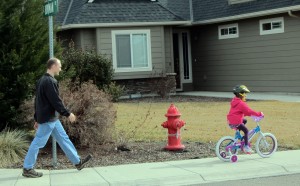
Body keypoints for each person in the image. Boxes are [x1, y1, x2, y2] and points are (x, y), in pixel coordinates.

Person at [22, 58, 92, 178]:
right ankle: (27, 168)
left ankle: (77, 162)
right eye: (59, 66)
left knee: (64, 139)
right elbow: (56, 101)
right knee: (38, 142)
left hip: (52, 119)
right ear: (53, 66)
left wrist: (36, 118)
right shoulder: (49, 81)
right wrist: (68, 113)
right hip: (48, 119)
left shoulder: (41, 80)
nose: (61, 68)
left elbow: (37, 101)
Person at [227, 85, 263, 154]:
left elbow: (239, 112)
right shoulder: (241, 103)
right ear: (241, 94)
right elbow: (249, 111)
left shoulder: (235, 101)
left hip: (231, 121)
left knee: (244, 121)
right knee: (246, 131)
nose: (245, 95)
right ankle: (246, 147)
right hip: (236, 122)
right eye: (244, 93)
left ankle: (238, 134)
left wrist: (247, 115)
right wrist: (258, 114)